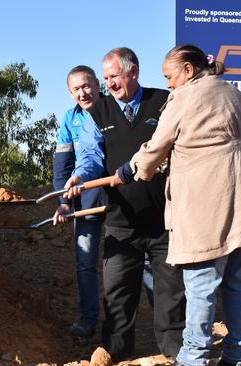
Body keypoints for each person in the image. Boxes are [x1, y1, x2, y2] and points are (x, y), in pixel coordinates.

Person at [111, 44, 241, 366]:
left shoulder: (184, 97)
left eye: (170, 77)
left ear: (188, 71)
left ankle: (193, 358)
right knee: (237, 283)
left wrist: (132, 169)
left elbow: (156, 147)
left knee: (201, 285)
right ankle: (235, 356)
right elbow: (208, 141)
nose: (168, 84)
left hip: (209, 202)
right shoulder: (232, 91)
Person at [64, 47, 186, 361]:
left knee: (170, 291)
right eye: (105, 78)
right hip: (121, 223)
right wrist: (80, 176)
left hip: (165, 220)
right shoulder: (97, 112)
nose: (109, 84)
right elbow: (91, 156)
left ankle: (175, 351)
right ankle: (116, 351)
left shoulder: (163, 102)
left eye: (113, 77)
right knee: (117, 292)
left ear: (133, 72)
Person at [51, 65, 104, 338]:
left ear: (97, 84)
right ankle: (88, 318)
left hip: (121, 198)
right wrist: (63, 201)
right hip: (86, 200)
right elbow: (63, 165)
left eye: (87, 86)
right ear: (70, 92)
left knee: (138, 260)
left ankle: (158, 320)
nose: (83, 93)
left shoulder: (113, 109)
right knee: (85, 262)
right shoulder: (69, 119)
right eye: (77, 89)